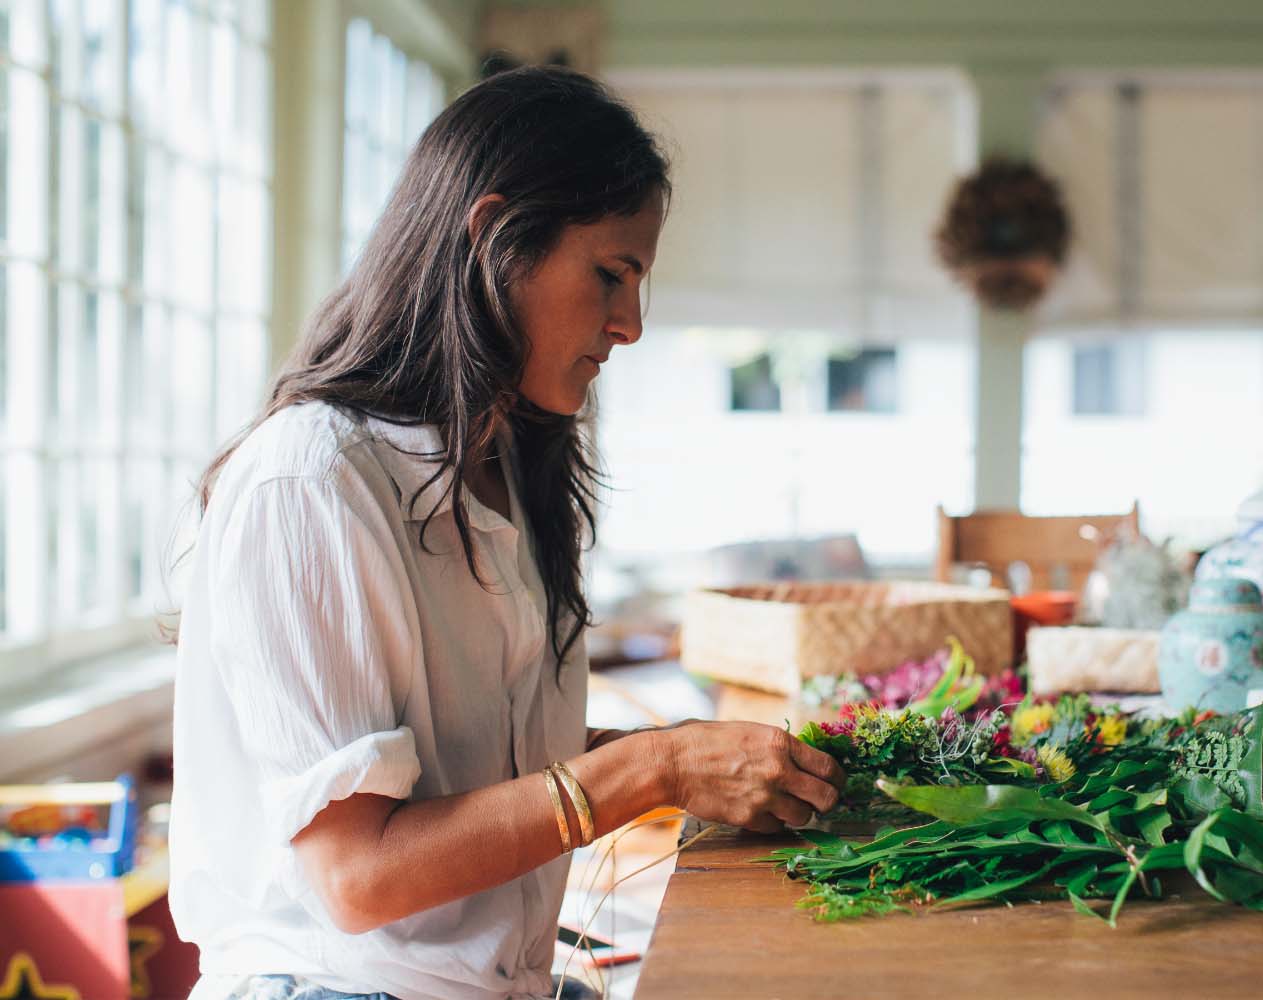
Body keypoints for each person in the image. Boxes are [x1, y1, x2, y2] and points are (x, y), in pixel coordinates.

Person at [168, 67, 844, 1000]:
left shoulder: (500, 466)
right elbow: (361, 877)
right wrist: (652, 766)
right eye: (611, 273)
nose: (631, 325)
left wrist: (687, 757)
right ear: (494, 239)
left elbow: (474, 761)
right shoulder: (312, 481)